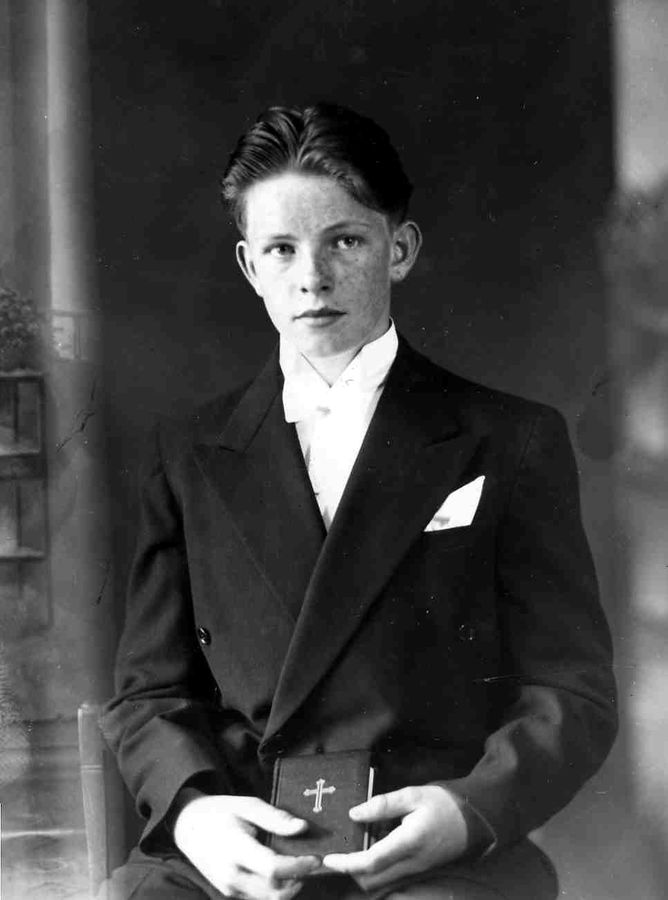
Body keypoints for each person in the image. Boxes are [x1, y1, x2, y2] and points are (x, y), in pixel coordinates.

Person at [101, 102, 617, 900]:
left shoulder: (507, 438)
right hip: (239, 842)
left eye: (344, 241)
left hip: (425, 843)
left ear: (399, 249)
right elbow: (150, 692)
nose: (312, 277)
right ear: (250, 267)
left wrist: (466, 812)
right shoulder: (188, 452)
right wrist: (197, 817)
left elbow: (570, 690)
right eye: (282, 249)